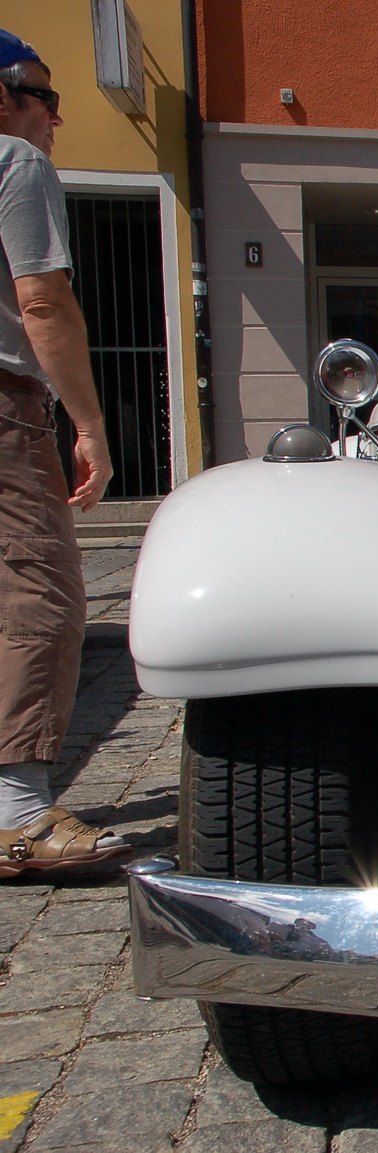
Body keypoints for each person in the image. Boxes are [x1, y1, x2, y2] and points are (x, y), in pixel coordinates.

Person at [0, 30, 128, 877]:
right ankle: (17, 813)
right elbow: (43, 302)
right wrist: (87, 423)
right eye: (43, 94)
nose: (56, 114)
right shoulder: (13, 161)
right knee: (37, 589)